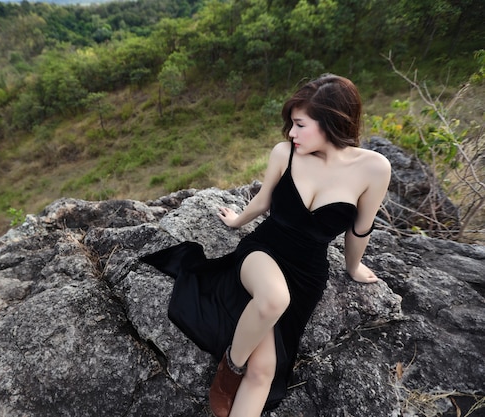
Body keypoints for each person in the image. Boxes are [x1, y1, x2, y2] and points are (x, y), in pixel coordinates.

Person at [141, 74, 391, 417]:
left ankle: (242, 380)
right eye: (291, 124)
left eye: (300, 124)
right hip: (262, 252)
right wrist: (235, 221)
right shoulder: (285, 153)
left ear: (331, 122)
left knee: (264, 372)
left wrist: (354, 267)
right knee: (274, 298)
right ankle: (229, 369)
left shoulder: (375, 168)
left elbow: (360, 230)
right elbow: (262, 203)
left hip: (307, 276)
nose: (291, 133)